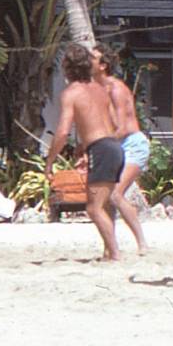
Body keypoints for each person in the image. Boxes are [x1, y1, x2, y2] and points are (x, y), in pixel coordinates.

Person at [46, 44, 124, 261]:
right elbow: (115, 123)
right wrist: (86, 145)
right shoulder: (100, 89)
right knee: (105, 204)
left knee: (93, 208)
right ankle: (109, 252)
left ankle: (114, 253)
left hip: (101, 148)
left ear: (66, 68)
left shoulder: (71, 93)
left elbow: (62, 132)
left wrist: (50, 161)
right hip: (114, 146)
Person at [93, 44, 147, 254]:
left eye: (93, 58)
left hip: (132, 143)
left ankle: (142, 242)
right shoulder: (97, 89)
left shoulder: (116, 89)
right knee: (106, 198)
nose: (88, 61)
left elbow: (122, 128)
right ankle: (110, 247)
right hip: (114, 145)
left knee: (115, 194)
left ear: (103, 66)